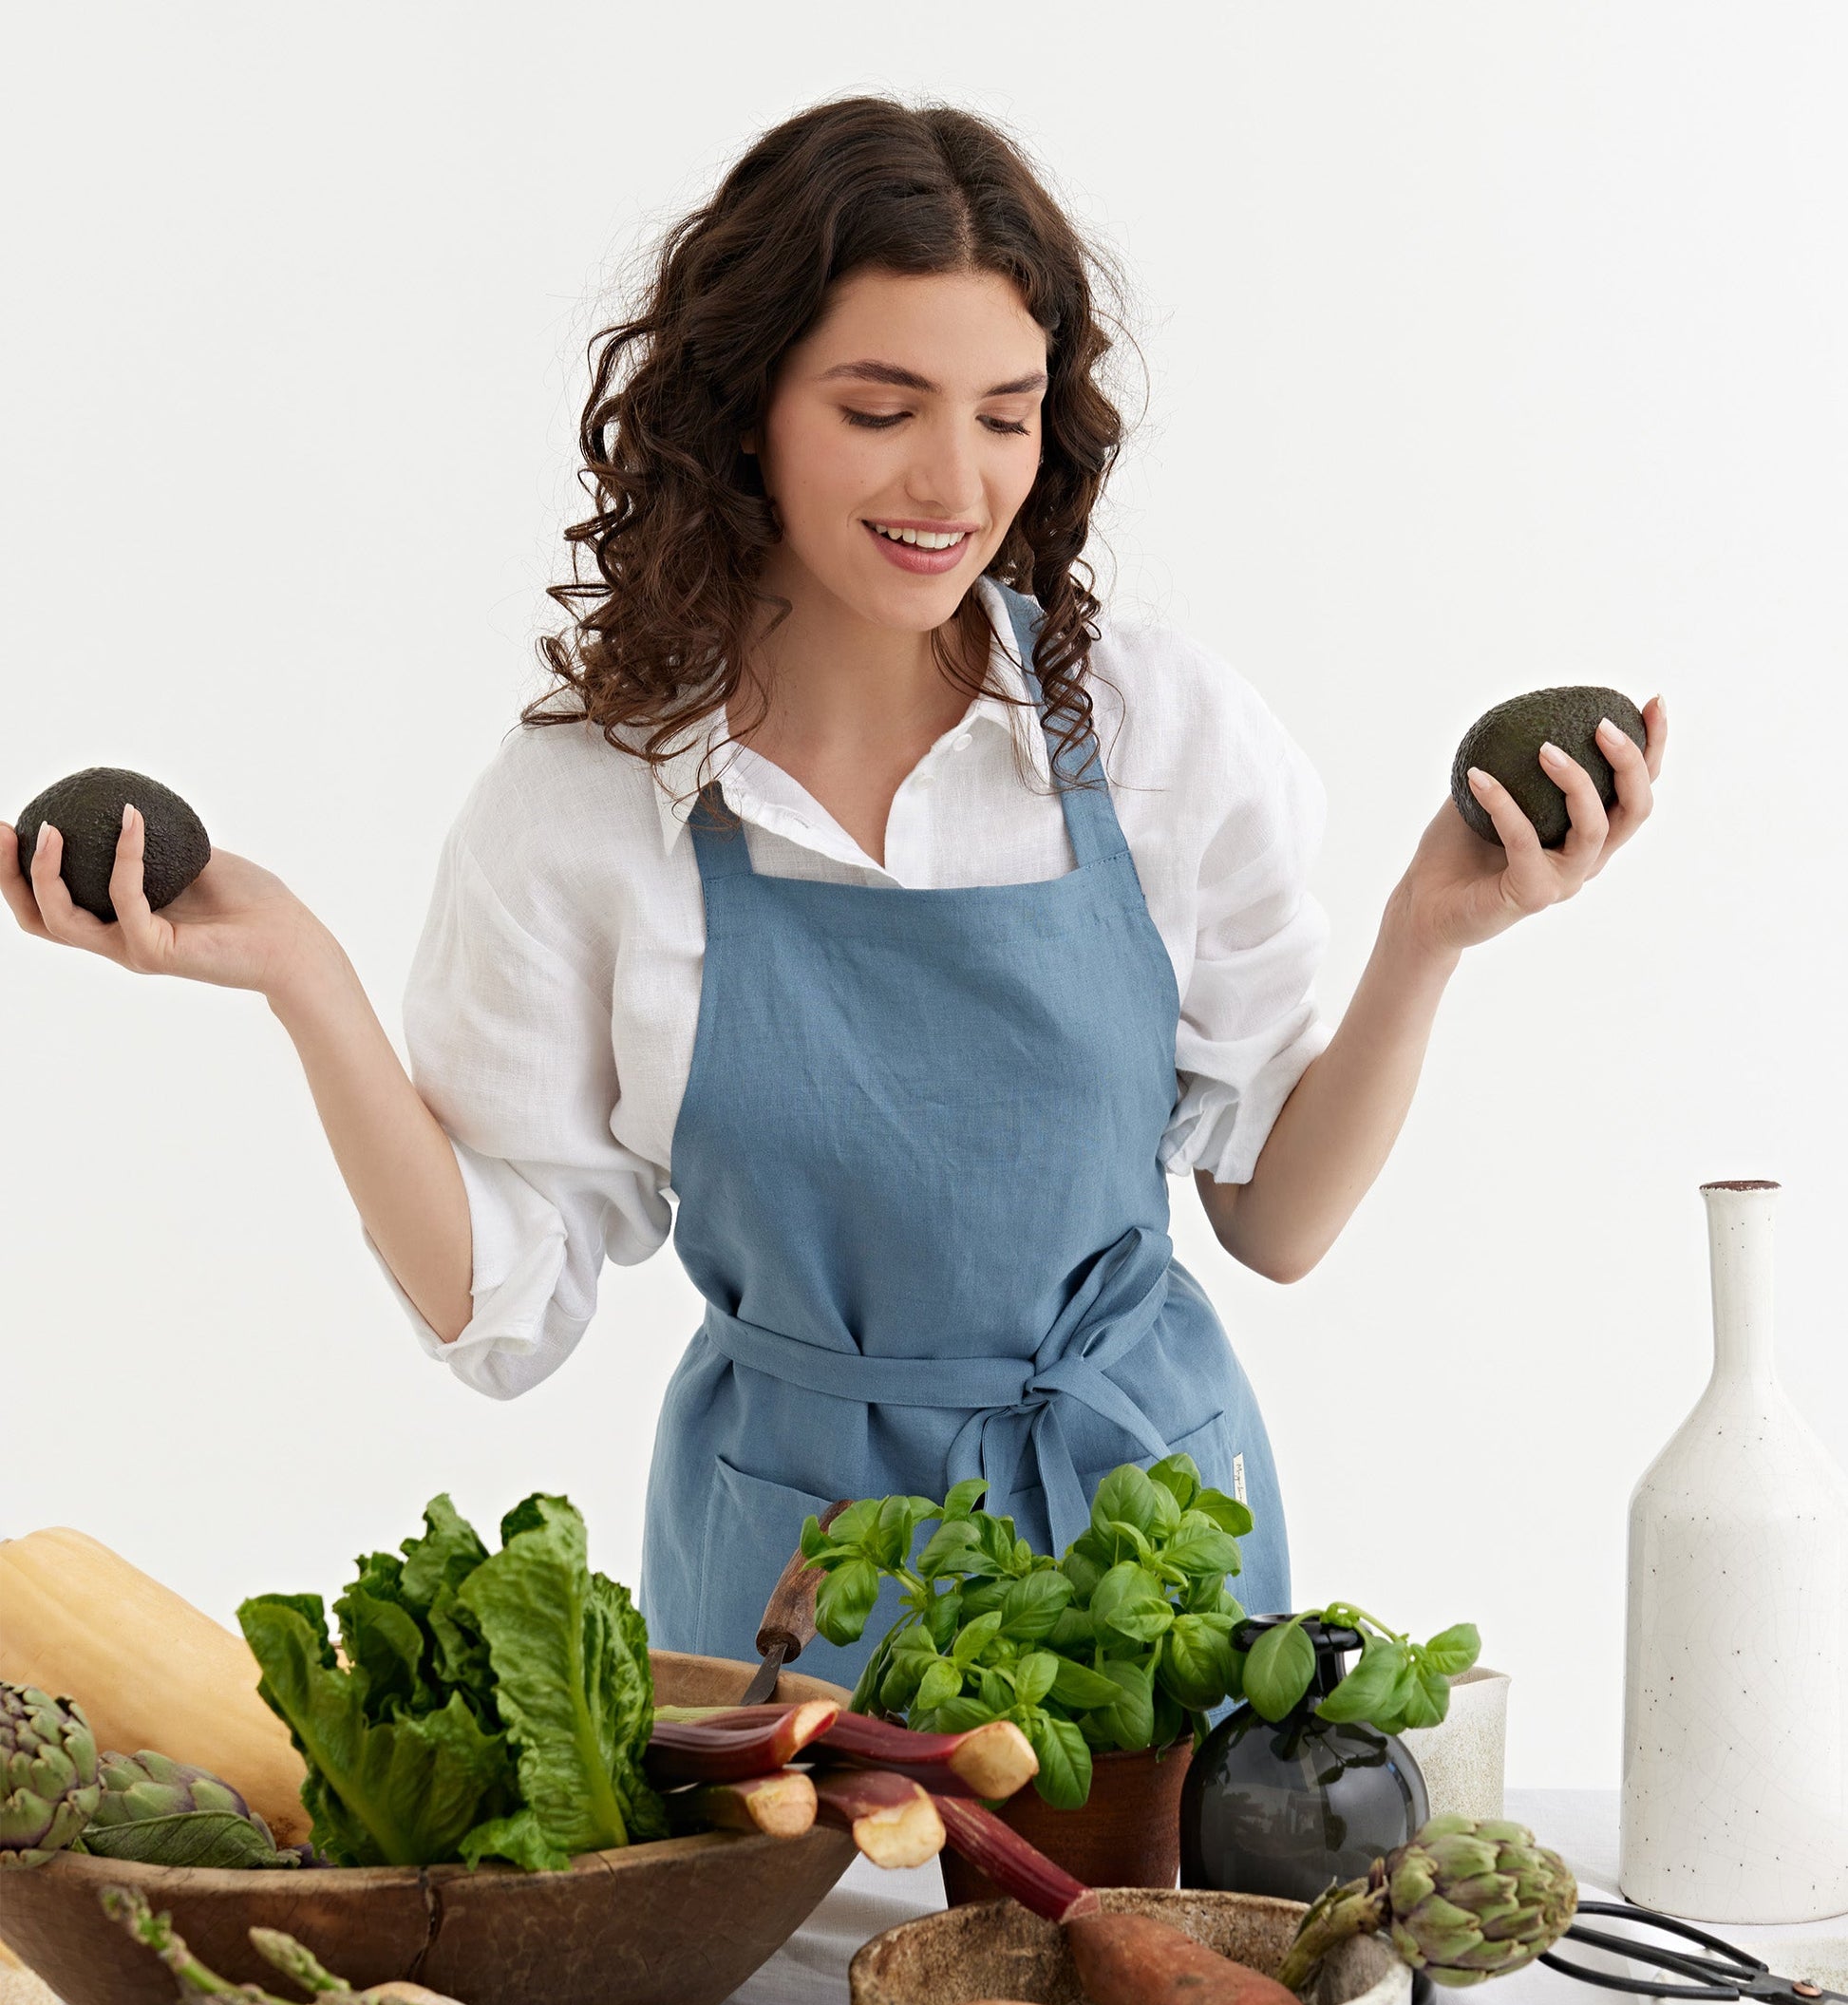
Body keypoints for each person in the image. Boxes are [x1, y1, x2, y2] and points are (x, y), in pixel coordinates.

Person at [0, 98, 1663, 1684]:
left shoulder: (1159, 734)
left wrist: (1425, 935)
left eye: (1003, 414)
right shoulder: (589, 806)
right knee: (793, 1909)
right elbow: (493, 1307)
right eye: (881, 410)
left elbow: (1275, 1223)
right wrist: (302, 975)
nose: (954, 483)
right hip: (792, 1587)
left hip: (1147, 1559)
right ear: (745, 409)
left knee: (1172, 1899)